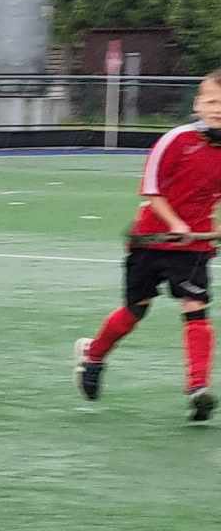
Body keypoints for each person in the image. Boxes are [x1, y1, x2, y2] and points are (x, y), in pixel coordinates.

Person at [76, 71, 221, 422]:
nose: (218, 109)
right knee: (134, 312)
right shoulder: (176, 140)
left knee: (195, 307)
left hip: (193, 247)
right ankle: (93, 356)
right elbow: (152, 191)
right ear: (198, 104)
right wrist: (175, 224)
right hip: (150, 241)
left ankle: (198, 389)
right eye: (212, 101)